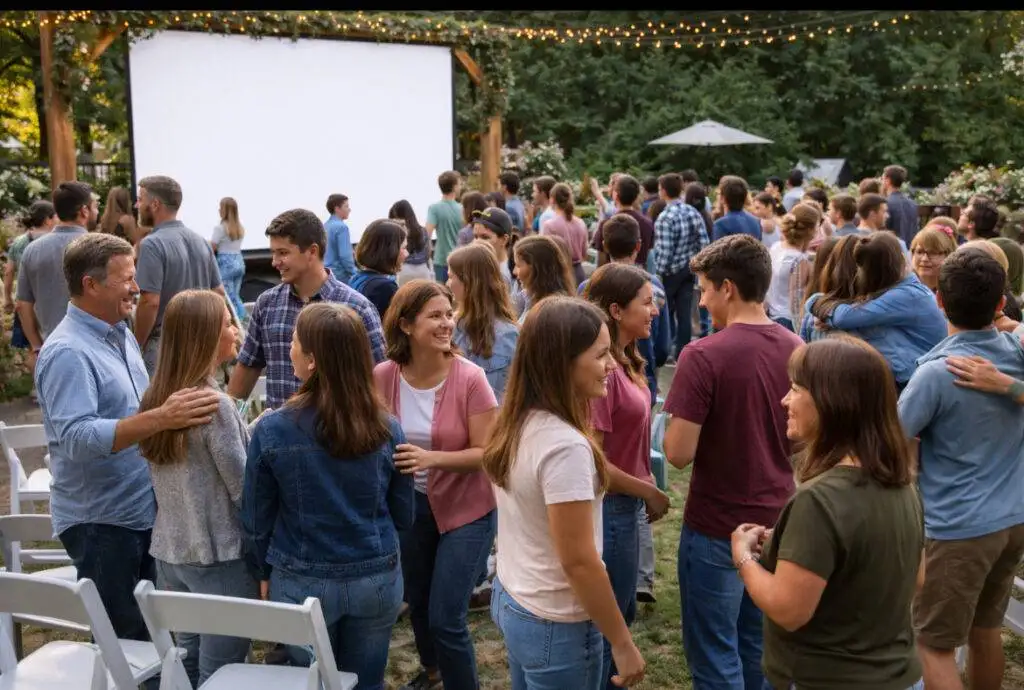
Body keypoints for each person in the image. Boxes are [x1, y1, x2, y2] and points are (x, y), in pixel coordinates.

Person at [35, 233, 221, 646]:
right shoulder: (68, 352)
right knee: (125, 645)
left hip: (136, 510)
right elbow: (77, 438)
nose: (137, 288)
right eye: (126, 279)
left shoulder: (118, 333)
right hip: (102, 523)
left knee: (153, 638)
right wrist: (160, 418)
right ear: (91, 284)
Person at [733, 337, 924, 690]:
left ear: (832, 402)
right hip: (900, 676)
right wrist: (799, 549)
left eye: (795, 390)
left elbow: (788, 610)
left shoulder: (818, 501)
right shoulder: (902, 486)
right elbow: (914, 577)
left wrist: (744, 557)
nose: (784, 400)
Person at [243, 303, 414, 690]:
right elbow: (404, 514)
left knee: (310, 683)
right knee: (366, 682)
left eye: (294, 342)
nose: (289, 349)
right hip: (375, 576)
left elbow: (255, 519)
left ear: (313, 360)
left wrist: (261, 572)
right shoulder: (388, 428)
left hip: (301, 578)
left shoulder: (272, 429)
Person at [483, 295, 646, 690]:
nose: (612, 365)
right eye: (601, 355)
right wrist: (622, 642)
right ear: (562, 362)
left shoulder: (517, 418)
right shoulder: (564, 446)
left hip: (516, 597)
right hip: (557, 622)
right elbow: (579, 561)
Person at [662, 234, 803, 689]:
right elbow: (803, 440)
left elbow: (678, 453)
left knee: (714, 654)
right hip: (778, 520)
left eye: (704, 290)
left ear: (728, 288)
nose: (702, 301)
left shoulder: (702, 355)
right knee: (759, 649)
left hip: (716, 526)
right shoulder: (796, 347)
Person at [898, 246, 1024, 690]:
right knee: (985, 630)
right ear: (1000, 303)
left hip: (960, 529)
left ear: (938, 300)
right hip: (1013, 520)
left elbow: (890, 438)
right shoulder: (1016, 351)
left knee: (933, 646)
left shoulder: (935, 374)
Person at [375, 281, 498, 690]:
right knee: (419, 602)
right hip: (410, 508)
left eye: (449, 314)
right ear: (406, 324)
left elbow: (488, 453)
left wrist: (431, 459)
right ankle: (433, 673)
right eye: (435, 316)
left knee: (446, 617)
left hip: (467, 511)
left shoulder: (471, 378)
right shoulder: (383, 376)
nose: (447, 323)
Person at [138, 289, 256, 686]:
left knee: (185, 662)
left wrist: (248, 430)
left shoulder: (157, 398)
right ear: (206, 335)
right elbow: (243, 489)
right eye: (227, 323)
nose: (236, 330)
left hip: (171, 553)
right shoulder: (214, 406)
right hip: (218, 556)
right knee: (219, 672)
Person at [583, 264, 670, 689]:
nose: (655, 310)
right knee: (611, 622)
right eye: (647, 303)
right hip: (612, 507)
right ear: (616, 310)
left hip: (628, 505)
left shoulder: (629, 359)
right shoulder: (605, 375)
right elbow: (594, 462)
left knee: (625, 610)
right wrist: (649, 491)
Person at [227, 209, 385, 411]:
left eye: (283, 253)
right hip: (280, 429)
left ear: (312, 251)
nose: (274, 262)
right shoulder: (267, 304)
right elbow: (248, 366)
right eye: (273, 252)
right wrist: (227, 417)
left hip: (337, 428)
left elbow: (380, 378)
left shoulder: (356, 307)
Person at [134, 175, 225, 375]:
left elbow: (150, 302)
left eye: (140, 199)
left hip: (164, 347)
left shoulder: (152, 244)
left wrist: (137, 344)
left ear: (155, 204)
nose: (136, 205)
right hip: (200, 345)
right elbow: (218, 293)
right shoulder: (201, 241)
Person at [16, 183, 97, 366]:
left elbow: (22, 304)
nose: (97, 211)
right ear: (84, 211)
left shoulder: (32, 250)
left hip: (50, 349)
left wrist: (37, 347)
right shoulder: (99, 248)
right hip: (95, 350)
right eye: (95, 206)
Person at [447, 242, 519, 403]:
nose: (447, 284)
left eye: (451, 277)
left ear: (469, 282)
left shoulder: (506, 334)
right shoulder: (453, 325)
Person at [653, 173, 710, 359]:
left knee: (665, 312)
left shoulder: (665, 217)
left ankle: (666, 348)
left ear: (663, 191)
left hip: (670, 273)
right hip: (689, 269)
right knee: (684, 313)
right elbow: (704, 243)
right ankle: (682, 353)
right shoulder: (693, 212)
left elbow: (665, 252)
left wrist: (659, 273)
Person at [6, 200, 57, 362]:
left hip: (25, 302)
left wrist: (7, 298)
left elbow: (8, 272)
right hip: (48, 302)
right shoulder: (53, 241)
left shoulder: (18, 242)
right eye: (55, 216)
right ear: (48, 220)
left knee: (33, 348)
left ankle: (37, 377)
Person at [350, 219, 408, 318]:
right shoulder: (385, 287)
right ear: (389, 251)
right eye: (404, 248)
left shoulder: (357, 278)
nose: (407, 254)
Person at [513, 234, 575, 322]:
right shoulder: (529, 297)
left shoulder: (552, 312)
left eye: (519, 265)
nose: (514, 271)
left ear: (536, 270)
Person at [541, 183, 589, 287]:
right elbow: (585, 253)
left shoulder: (549, 225)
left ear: (552, 199)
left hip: (559, 275)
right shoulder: (581, 223)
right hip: (578, 272)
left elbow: (546, 256)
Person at [211, 196, 247, 323]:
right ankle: (242, 318)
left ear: (224, 210)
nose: (218, 210)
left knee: (227, 297)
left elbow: (213, 247)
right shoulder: (240, 228)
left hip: (226, 263)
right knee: (235, 296)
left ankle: (238, 321)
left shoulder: (220, 228)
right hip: (239, 262)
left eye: (220, 207)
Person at [426, 171, 463, 284]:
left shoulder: (434, 208)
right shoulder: (462, 209)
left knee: (441, 291)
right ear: (454, 187)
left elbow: (427, 233)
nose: (460, 187)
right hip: (460, 258)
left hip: (441, 259)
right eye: (459, 184)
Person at [470, 206, 516, 290]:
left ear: (504, 240)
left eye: (485, 237)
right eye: (475, 237)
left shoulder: (507, 274)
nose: (477, 242)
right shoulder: (479, 266)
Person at [390, 199, 432, 285]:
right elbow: (428, 253)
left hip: (404, 270)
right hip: (422, 270)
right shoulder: (423, 230)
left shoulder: (397, 232)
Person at [712, 176, 762, 242]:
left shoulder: (721, 224)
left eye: (719, 194)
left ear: (723, 198)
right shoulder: (756, 221)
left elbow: (718, 248)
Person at [909, 227, 958, 294]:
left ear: (948, 255)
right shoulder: (902, 288)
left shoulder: (956, 291)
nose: (924, 259)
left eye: (933, 252)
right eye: (920, 252)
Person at [883, 164, 920, 246]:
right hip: (911, 247)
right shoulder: (912, 203)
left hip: (893, 248)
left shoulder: (886, 204)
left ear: (888, 180)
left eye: (883, 179)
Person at [323, 193, 356, 284]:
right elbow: (345, 256)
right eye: (346, 206)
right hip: (340, 276)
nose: (349, 209)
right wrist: (355, 274)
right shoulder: (342, 227)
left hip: (325, 273)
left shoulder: (325, 226)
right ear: (337, 208)